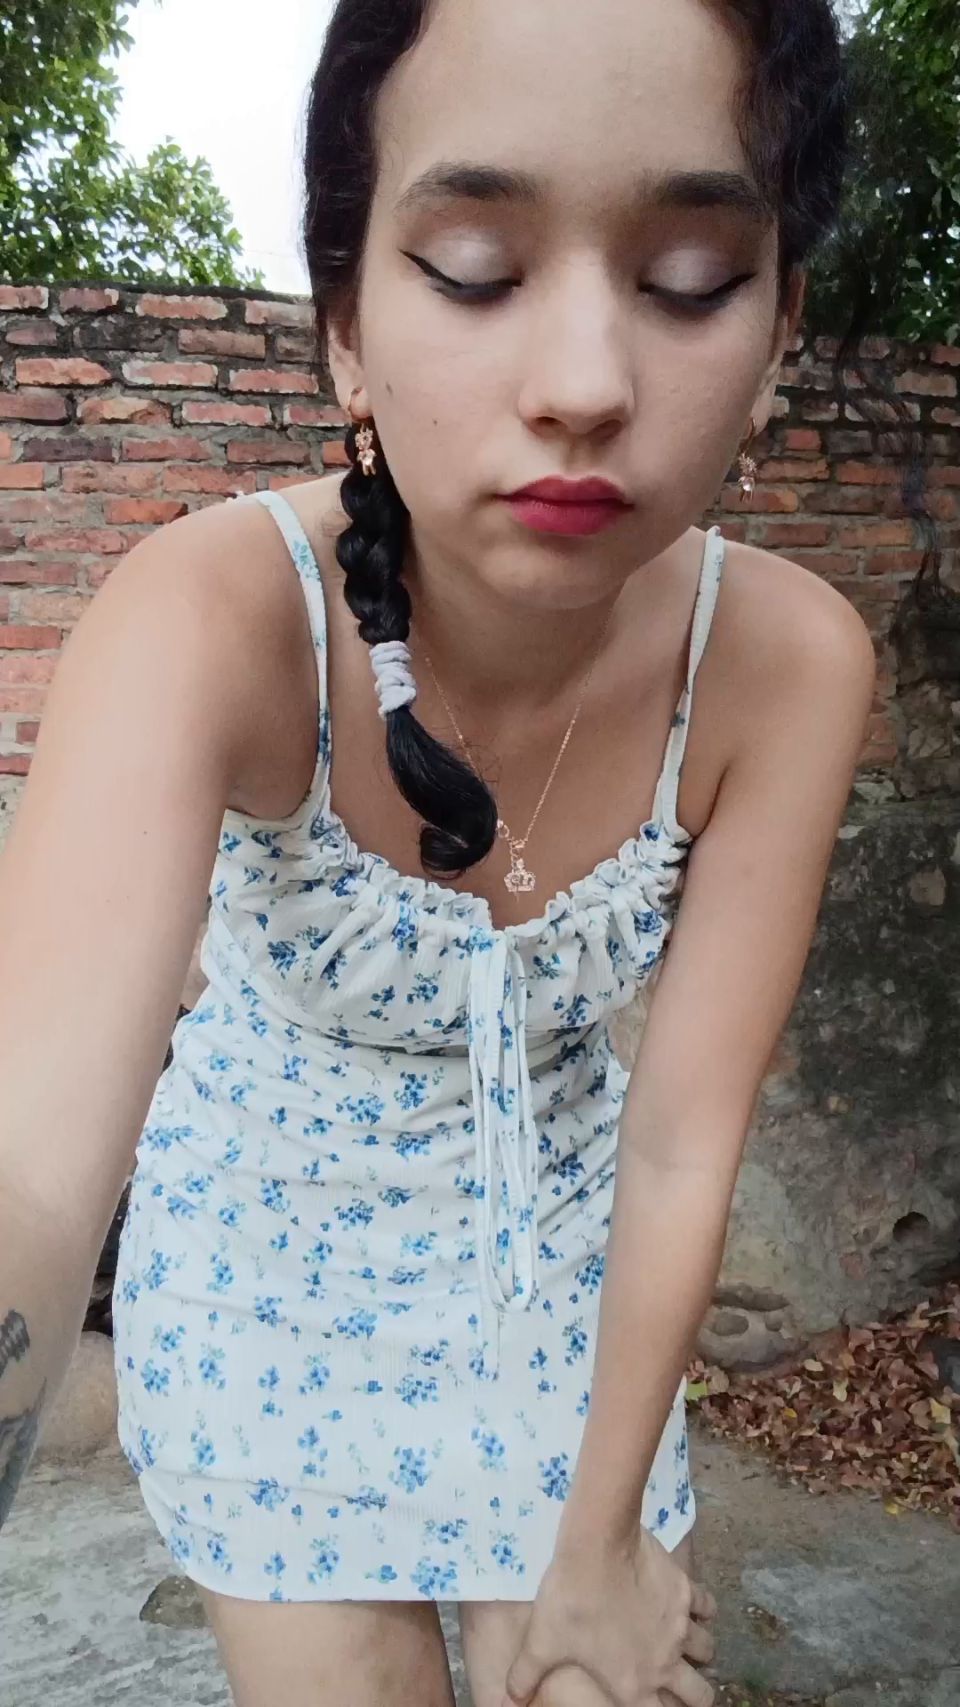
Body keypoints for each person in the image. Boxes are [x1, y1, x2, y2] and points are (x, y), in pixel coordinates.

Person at [0, 1, 880, 1703]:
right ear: (346, 326)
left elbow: (681, 1144)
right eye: (476, 270)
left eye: (692, 278)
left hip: (579, 1313)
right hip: (267, 1308)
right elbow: (31, 1166)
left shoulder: (786, 665)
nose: (585, 387)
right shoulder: (210, 618)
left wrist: (601, 1540)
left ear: (781, 329)